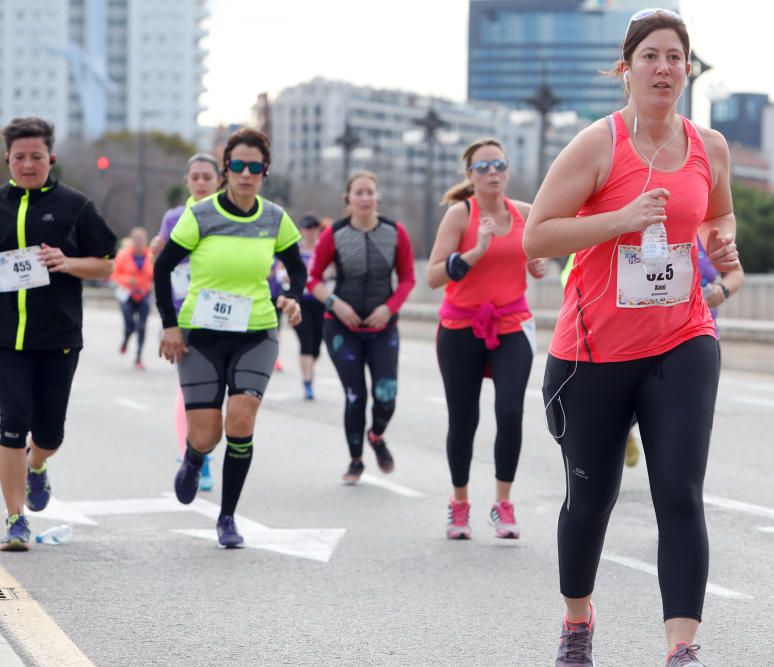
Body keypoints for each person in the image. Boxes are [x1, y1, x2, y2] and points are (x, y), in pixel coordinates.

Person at [523, 9, 740, 666]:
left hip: (683, 338)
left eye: (676, 56)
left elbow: (719, 211)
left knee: (679, 491)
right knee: (590, 500)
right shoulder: (598, 144)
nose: (664, 67)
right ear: (626, 68)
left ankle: (681, 648)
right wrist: (619, 218)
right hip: (593, 351)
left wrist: (722, 242)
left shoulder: (711, 147)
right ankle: (578, 621)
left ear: (688, 70)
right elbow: (537, 234)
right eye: (651, 55)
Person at [153, 128, 305, 548]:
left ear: (264, 172)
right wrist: (170, 323)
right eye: (237, 165)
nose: (245, 173)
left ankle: (227, 517)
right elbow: (163, 266)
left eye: (255, 167)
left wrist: (292, 297)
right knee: (207, 434)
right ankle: (193, 456)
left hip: (255, 332)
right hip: (200, 335)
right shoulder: (201, 214)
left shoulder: (274, 217)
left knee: (241, 420)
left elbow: (298, 268)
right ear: (225, 170)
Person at [0, 117, 117, 550]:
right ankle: (15, 519)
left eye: (36, 157)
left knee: (49, 433)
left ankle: (38, 462)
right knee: (10, 423)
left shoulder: (76, 206)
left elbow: (106, 263)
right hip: (7, 337)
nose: (27, 165)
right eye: (18, 157)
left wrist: (66, 262)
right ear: (7, 160)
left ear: (51, 157)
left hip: (58, 335)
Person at [427, 138, 547, 540]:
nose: (492, 172)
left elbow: (544, 250)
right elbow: (433, 276)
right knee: (464, 419)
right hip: (461, 328)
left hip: (513, 323)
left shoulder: (526, 213)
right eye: (483, 167)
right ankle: (459, 504)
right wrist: (476, 250)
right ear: (470, 176)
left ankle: (503, 504)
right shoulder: (460, 216)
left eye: (499, 164)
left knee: (510, 411)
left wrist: (540, 261)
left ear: (508, 170)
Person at [561, 243, 745, 469]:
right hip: (635, 342)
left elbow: (735, 272)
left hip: (695, 338)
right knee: (627, 412)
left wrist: (721, 290)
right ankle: (622, 433)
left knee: (683, 426)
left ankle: (671, 476)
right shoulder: (635, 228)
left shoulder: (706, 229)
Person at [308, 171, 415, 483]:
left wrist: (389, 308)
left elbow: (408, 278)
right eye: (359, 192)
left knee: (386, 396)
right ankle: (355, 461)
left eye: (370, 192)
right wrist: (335, 304)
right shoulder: (335, 234)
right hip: (342, 329)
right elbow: (312, 278)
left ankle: (377, 436)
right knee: (356, 396)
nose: (366, 198)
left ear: (377, 197)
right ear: (348, 199)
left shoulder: (395, 233)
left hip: (383, 328)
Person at [152, 153, 223, 491]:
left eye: (207, 177)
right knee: (191, 390)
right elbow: (165, 262)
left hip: (224, 312)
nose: (200, 183)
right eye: (194, 177)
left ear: (218, 180)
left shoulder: (229, 217)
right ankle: (195, 456)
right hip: (185, 311)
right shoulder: (175, 217)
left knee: (218, 390)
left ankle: (200, 448)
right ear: (186, 181)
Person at [112, 227, 154, 369]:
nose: (139, 243)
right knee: (130, 324)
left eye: (142, 240)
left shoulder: (150, 256)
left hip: (144, 294)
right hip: (127, 294)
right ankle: (126, 339)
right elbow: (114, 273)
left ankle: (138, 357)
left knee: (142, 326)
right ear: (131, 240)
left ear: (146, 241)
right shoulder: (123, 255)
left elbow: (155, 274)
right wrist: (127, 280)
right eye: (136, 240)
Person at [294, 213, 325, 400]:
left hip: (320, 301)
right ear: (301, 230)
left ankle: (310, 367)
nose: (310, 232)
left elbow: (334, 269)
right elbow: (281, 271)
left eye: (313, 228)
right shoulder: (295, 250)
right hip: (301, 301)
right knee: (305, 342)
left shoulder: (323, 249)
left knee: (316, 346)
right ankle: (307, 381)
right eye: (307, 228)